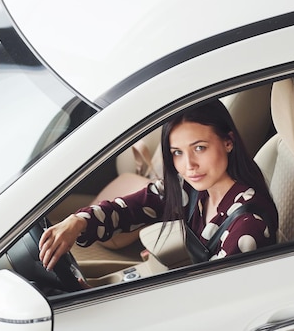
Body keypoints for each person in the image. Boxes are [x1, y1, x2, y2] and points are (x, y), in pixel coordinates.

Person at [39, 99, 278, 271]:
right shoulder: (190, 189)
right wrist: (77, 222)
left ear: (228, 142)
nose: (189, 165)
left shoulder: (247, 226)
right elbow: (127, 210)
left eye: (199, 148)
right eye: (177, 153)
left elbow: (213, 296)